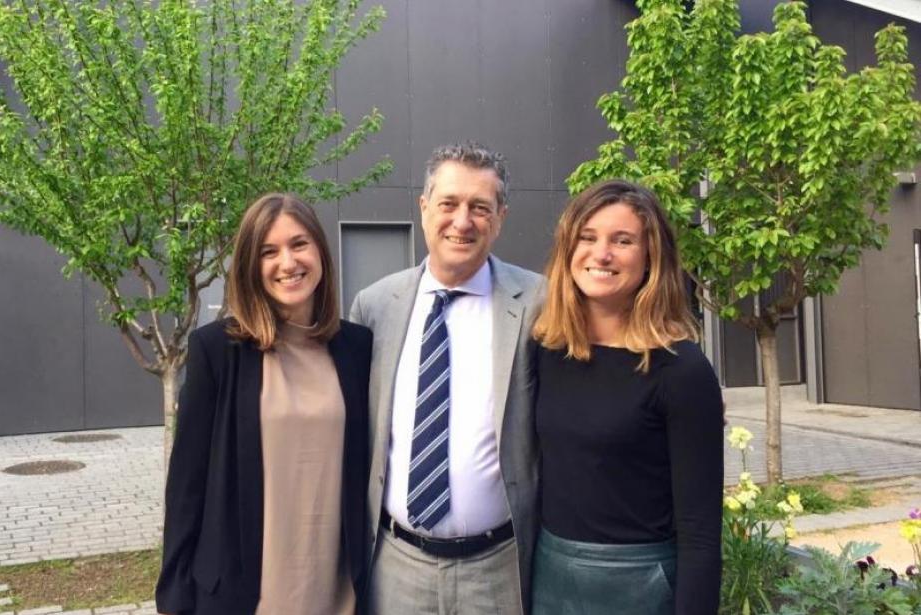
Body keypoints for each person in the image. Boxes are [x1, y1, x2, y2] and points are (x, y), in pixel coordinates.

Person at [349, 142, 543, 614]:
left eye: (480, 207)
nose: (462, 221)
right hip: (397, 566)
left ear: (500, 217)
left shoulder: (542, 303)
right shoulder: (373, 306)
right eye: (449, 204)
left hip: (496, 569)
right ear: (423, 208)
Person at [155, 193, 372, 615]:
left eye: (299, 244)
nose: (288, 263)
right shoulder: (217, 351)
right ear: (251, 267)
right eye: (268, 252)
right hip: (244, 594)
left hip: (338, 592)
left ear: (321, 252)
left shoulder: (357, 348)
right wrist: (174, 597)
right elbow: (186, 487)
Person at [530, 179, 723, 615]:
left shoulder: (681, 370)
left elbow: (700, 532)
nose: (602, 254)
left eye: (623, 240)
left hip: (641, 587)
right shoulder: (546, 351)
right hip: (550, 581)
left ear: (651, 256)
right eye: (588, 237)